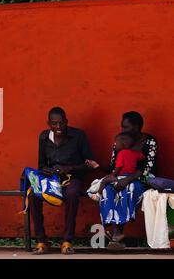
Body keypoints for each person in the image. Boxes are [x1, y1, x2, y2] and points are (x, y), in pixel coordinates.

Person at [30, 107, 94, 255]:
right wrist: (45, 170)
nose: (58, 127)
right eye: (54, 124)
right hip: (51, 179)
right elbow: (40, 164)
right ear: (48, 123)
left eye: (61, 123)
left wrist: (69, 168)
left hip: (72, 177)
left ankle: (67, 241)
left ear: (66, 122)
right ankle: (41, 241)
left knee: (72, 194)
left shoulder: (78, 136)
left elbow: (89, 164)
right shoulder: (44, 137)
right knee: (33, 195)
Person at [97, 111, 157, 249]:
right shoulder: (121, 140)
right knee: (107, 190)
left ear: (137, 127)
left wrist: (126, 180)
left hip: (141, 179)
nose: (122, 130)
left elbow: (147, 168)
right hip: (120, 178)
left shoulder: (150, 141)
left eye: (126, 127)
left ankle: (117, 233)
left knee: (128, 189)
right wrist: (100, 168)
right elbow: (113, 165)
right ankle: (108, 225)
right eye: (122, 127)